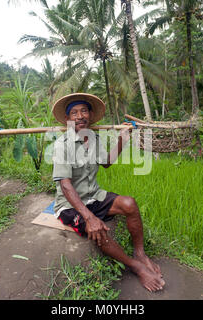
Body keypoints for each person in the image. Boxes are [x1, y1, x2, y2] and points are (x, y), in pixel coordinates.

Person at [51, 93, 164, 292]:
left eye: (84, 111)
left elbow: (106, 162)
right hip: (70, 205)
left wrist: (122, 140)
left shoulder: (93, 137)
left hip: (94, 196)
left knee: (129, 203)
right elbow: (66, 186)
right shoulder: (62, 145)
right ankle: (136, 266)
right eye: (74, 113)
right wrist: (89, 217)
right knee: (97, 228)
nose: (80, 116)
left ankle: (140, 254)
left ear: (90, 115)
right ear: (68, 119)